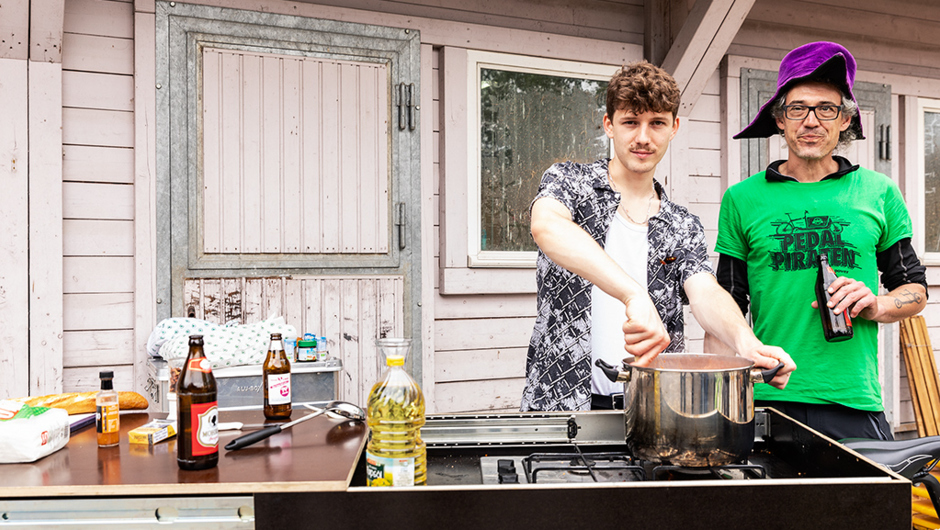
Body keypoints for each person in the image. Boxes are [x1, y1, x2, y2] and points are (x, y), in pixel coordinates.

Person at [521, 61, 796, 412]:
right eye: (630, 122)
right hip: (559, 406)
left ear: (674, 127)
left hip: (655, 410)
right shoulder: (570, 182)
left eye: (657, 123)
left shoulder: (682, 224)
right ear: (609, 125)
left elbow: (706, 293)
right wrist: (634, 294)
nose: (643, 137)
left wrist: (746, 341)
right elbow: (547, 226)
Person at [708, 41, 928, 440]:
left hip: (854, 399)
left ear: (846, 120)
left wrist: (875, 304)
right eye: (798, 109)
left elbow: (915, 290)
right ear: (779, 119)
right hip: (768, 397)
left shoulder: (878, 191)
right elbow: (726, 302)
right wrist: (720, 397)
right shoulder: (741, 199)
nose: (811, 121)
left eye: (826, 109)